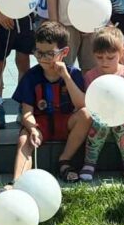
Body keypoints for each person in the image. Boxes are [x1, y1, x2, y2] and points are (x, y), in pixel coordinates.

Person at [11, 20, 93, 184]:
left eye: (49, 54)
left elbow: (81, 105)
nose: (43, 59)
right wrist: (32, 129)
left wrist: (66, 77)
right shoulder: (31, 77)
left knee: (86, 114)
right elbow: (27, 113)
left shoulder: (74, 74)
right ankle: (17, 182)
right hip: (40, 124)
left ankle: (64, 160)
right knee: (24, 138)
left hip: (66, 122)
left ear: (64, 52)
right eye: (38, 53)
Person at [81, 26, 124, 185]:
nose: (104, 62)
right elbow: (90, 102)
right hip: (100, 116)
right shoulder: (91, 76)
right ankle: (89, 163)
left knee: (123, 126)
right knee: (99, 125)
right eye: (99, 57)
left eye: (110, 57)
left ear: (121, 53)